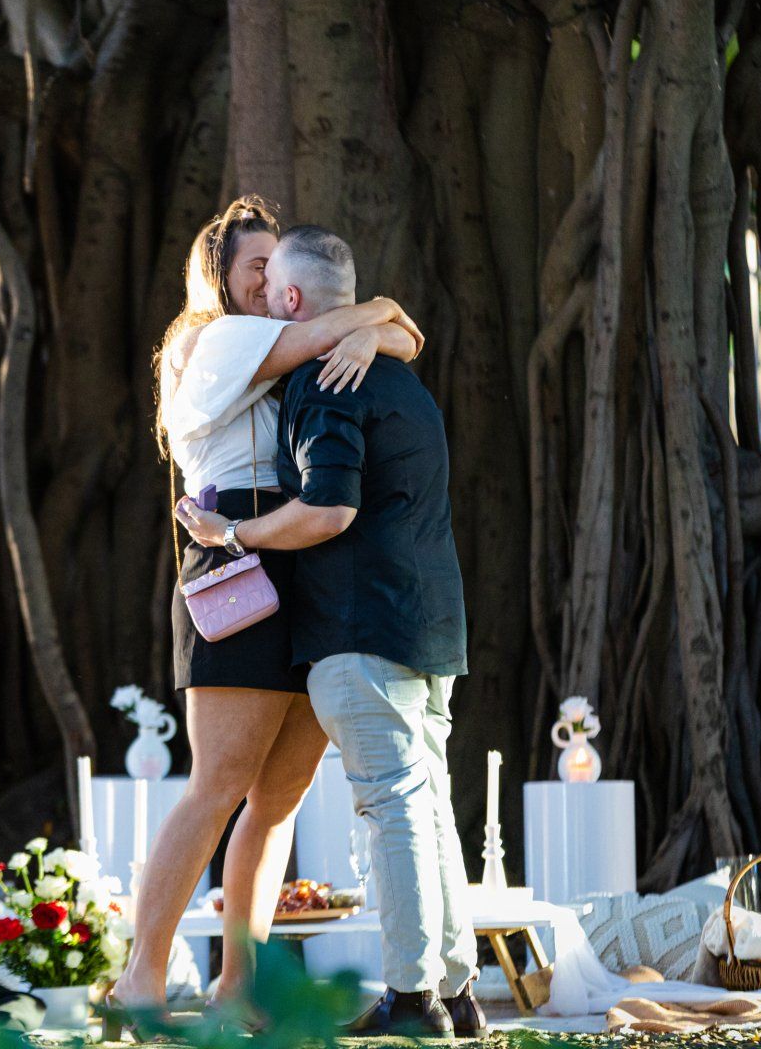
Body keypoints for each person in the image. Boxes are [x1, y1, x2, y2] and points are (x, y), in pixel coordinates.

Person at [110, 199, 424, 1017]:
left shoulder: (288, 343)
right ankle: (140, 976)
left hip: (303, 557)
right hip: (234, 555)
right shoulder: (212, 338)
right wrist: (376, 318)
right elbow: (374, 331)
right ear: (222, 278)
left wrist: (373, 329)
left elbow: (407, 344)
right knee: (217, 783)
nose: (271, 281)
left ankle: (239, 987)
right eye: (256, 268)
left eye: (275, 268)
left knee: (278, 798)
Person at [175, 224, 484, 1040]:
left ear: (291, 299)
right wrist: (381, 318)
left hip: (359, 624)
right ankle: (457, 993)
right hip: (432, 622)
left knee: (394, 808)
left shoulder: (324, 380)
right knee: (431, 805)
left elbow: (329, 510)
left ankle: (413, 998)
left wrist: (233, 538)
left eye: (273, 278)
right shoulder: (402, 377)